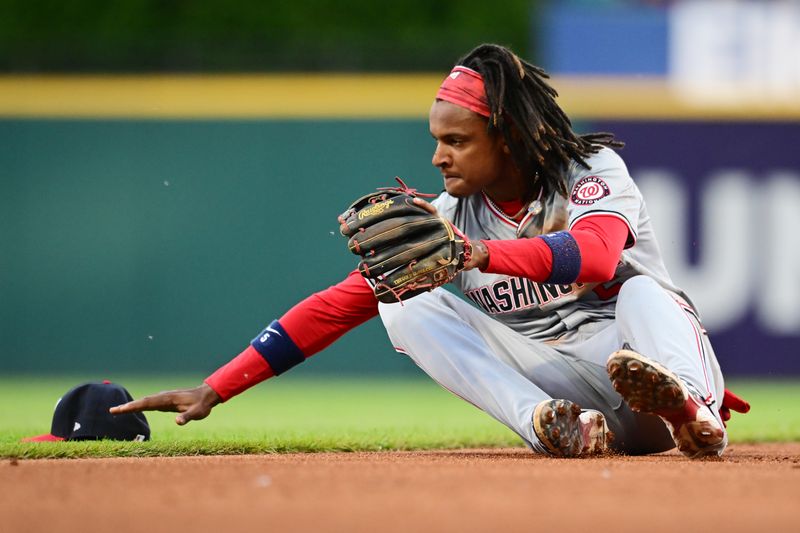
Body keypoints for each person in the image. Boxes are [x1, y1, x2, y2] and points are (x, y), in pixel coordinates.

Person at [111, 43, 748, 458]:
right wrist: (216, 388)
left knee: (641, 290)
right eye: (436, 138)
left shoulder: (589, 168)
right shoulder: (447, 226)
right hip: (583, 395)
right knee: (400, 302)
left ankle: (693, 413)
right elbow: (337, 306)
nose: (438, 155)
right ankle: (550, 426)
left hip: (641, 364)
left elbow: (598, 257)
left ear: (506, 135)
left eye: (457, 139)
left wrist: (478, 257)